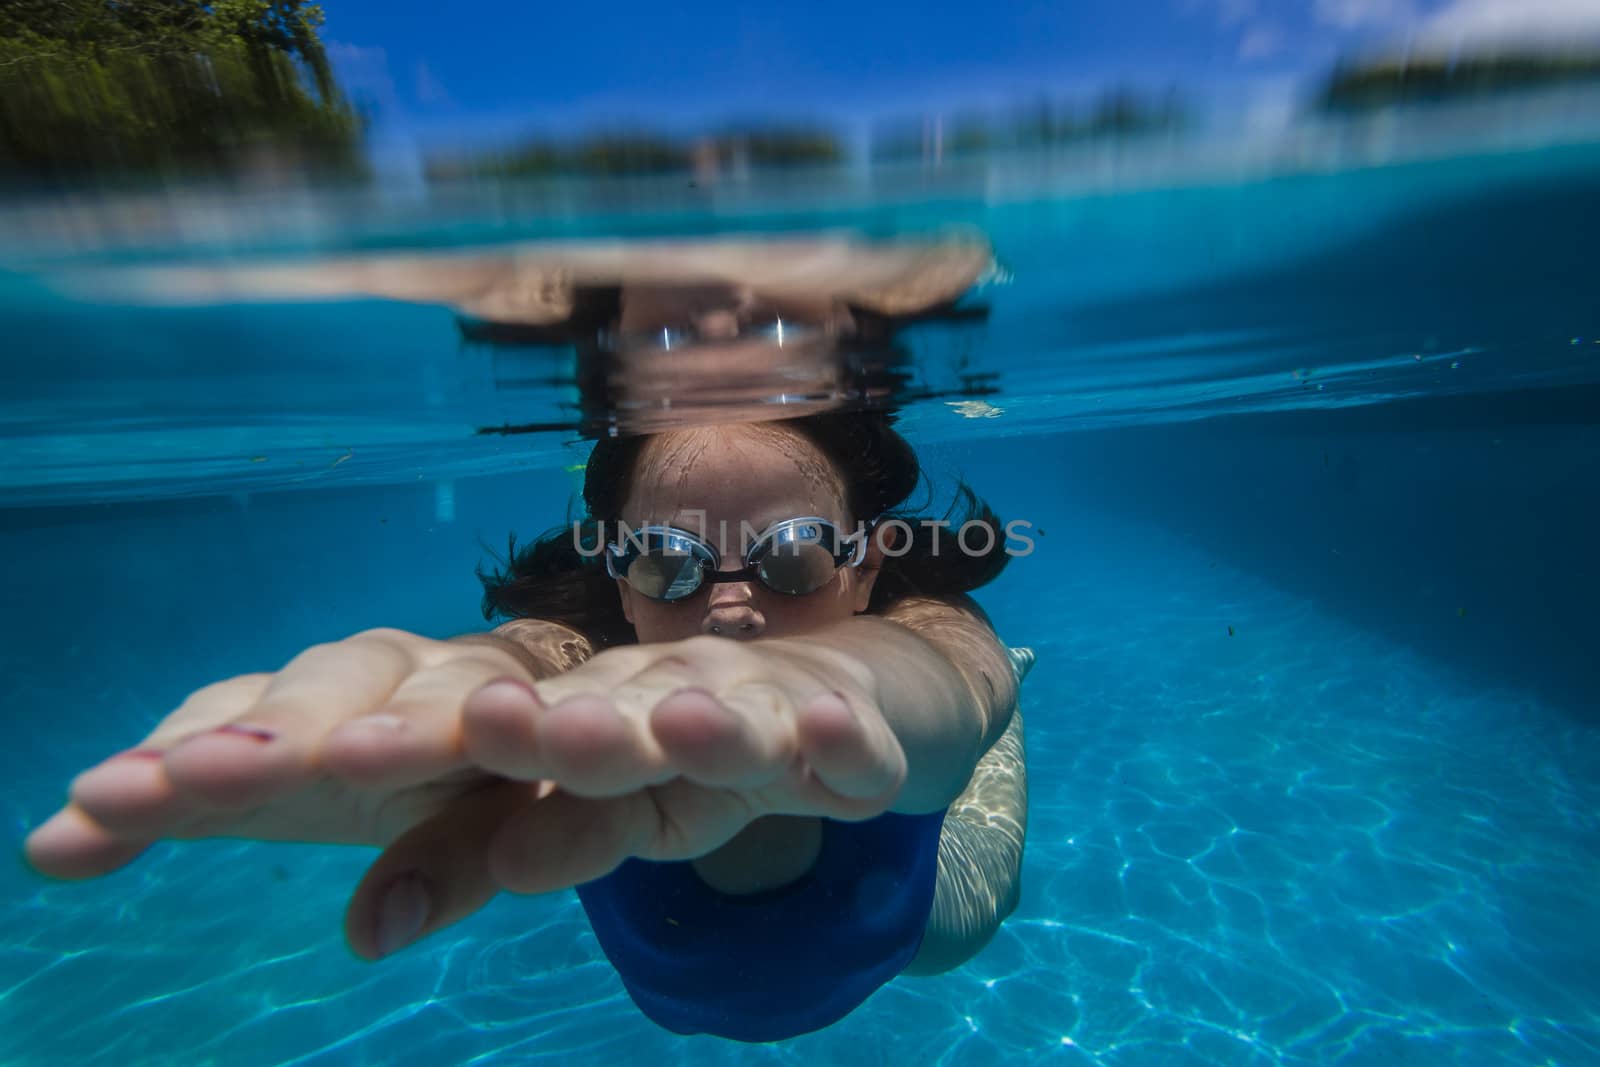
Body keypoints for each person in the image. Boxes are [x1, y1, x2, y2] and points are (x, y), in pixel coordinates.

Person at [26, 240, 1032, 1043]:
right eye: (669, 563)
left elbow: (937, 683)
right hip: (677, 990)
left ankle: (1020, 705)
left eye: (797, 555)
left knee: (984, 789)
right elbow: (529, 658)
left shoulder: (924, 632)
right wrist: (485, 689)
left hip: (921, 928)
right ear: (619, 588)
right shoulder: (583, 673)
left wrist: (852, 681)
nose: (730, 610)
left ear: (862, 563)